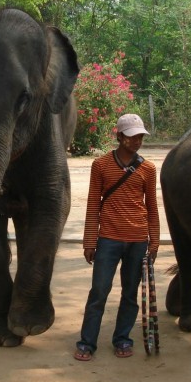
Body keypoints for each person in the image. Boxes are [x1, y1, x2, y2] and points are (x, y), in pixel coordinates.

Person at [74, 113, 160, 361]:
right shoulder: (100, 165)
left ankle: (122, 339)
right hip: (108, 240)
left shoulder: (148, 168)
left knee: (130, 294)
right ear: (119, 136)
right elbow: (93, 205)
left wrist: (153, 241)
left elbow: (152, 207)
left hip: (137, 241)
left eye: (141, 136)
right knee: (99, 292)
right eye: (132, 136)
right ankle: (87, 343)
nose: (137, 141)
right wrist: (90, 242)